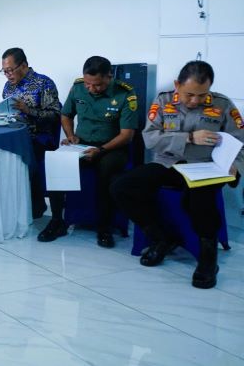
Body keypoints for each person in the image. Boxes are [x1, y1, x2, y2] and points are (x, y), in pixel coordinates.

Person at [111, 61, 243, 289]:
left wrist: (236, 166)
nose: (195, 101)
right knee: (122, 187)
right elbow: (150, 138)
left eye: (202, 95)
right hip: (168, 163)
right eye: (189, 94)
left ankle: (208, 258)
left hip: (205, 167)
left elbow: (240, 143)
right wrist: (189, 138)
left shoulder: (222, 105)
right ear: (177, 85)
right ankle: (160, 238)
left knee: (200, 198)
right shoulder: (163, 101)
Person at [39, 56, 138, 248]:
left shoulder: (125, 94)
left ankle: (104, 226)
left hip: (111, 147)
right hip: (82, 144)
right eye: (88, 84)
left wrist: (101, 150)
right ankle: (57, 221)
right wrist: (70, 135)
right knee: (56, 162)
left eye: (97, 85)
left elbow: (127, 135)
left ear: (109, 76)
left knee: (107, 169)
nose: (91, 89)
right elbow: (65, 115)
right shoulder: (78, 87)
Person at [1, 47, 62, 217]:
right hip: (14, 135)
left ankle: (36, 206)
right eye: (4, 71)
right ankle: (10, 205)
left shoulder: (44, 83)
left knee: (24, 156)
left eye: (10, 70)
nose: (7, 75)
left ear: (24, 65)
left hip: (39, 137)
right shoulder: (8, 87)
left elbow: (55, 115)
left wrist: (29, 111)